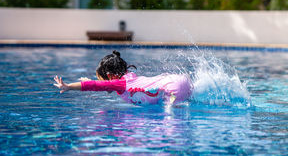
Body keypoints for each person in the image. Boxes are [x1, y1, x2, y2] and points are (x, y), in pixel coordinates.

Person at [53, 50, 192, 105]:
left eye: (103, 80)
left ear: (110, 76)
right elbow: (103, 86)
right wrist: (90, 81)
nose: (104, 85)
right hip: (178, 80)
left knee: (169, 119)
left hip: (171, 89)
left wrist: (68, 86)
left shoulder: (120, 84)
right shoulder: (129, 78)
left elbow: (97, 86)